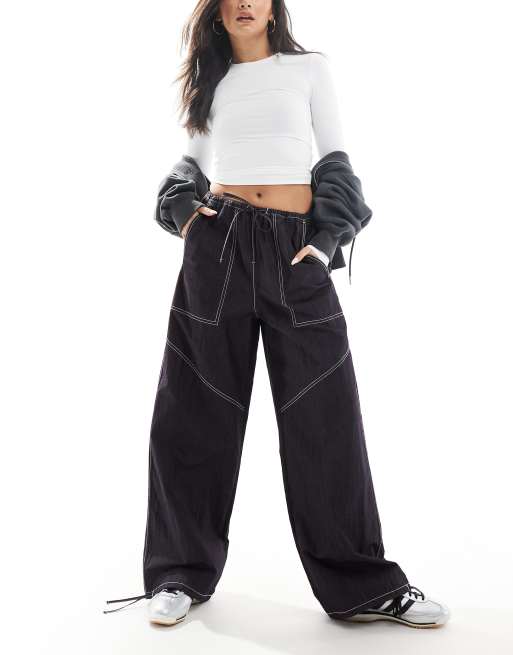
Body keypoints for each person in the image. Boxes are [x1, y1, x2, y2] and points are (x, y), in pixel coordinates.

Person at [104, 0, 450, 629]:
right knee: (194, 410)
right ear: (216, 10)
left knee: (326, 415)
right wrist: (187, 216)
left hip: (296, 252)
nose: (245, 2)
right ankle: (178, 573)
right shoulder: (211, 81)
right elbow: (192, 162)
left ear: (273, 6)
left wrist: (324, 243)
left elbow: (335, 157)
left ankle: (362, 586)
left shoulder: (309, 69)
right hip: (219, 247)